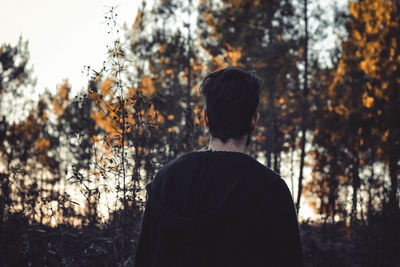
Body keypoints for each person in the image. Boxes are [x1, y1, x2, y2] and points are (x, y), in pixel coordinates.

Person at [134, 67, 304, 267]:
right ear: (254, 121)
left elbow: (144, 258)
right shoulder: (271, 190)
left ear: (206, 118)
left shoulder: (165, 181)